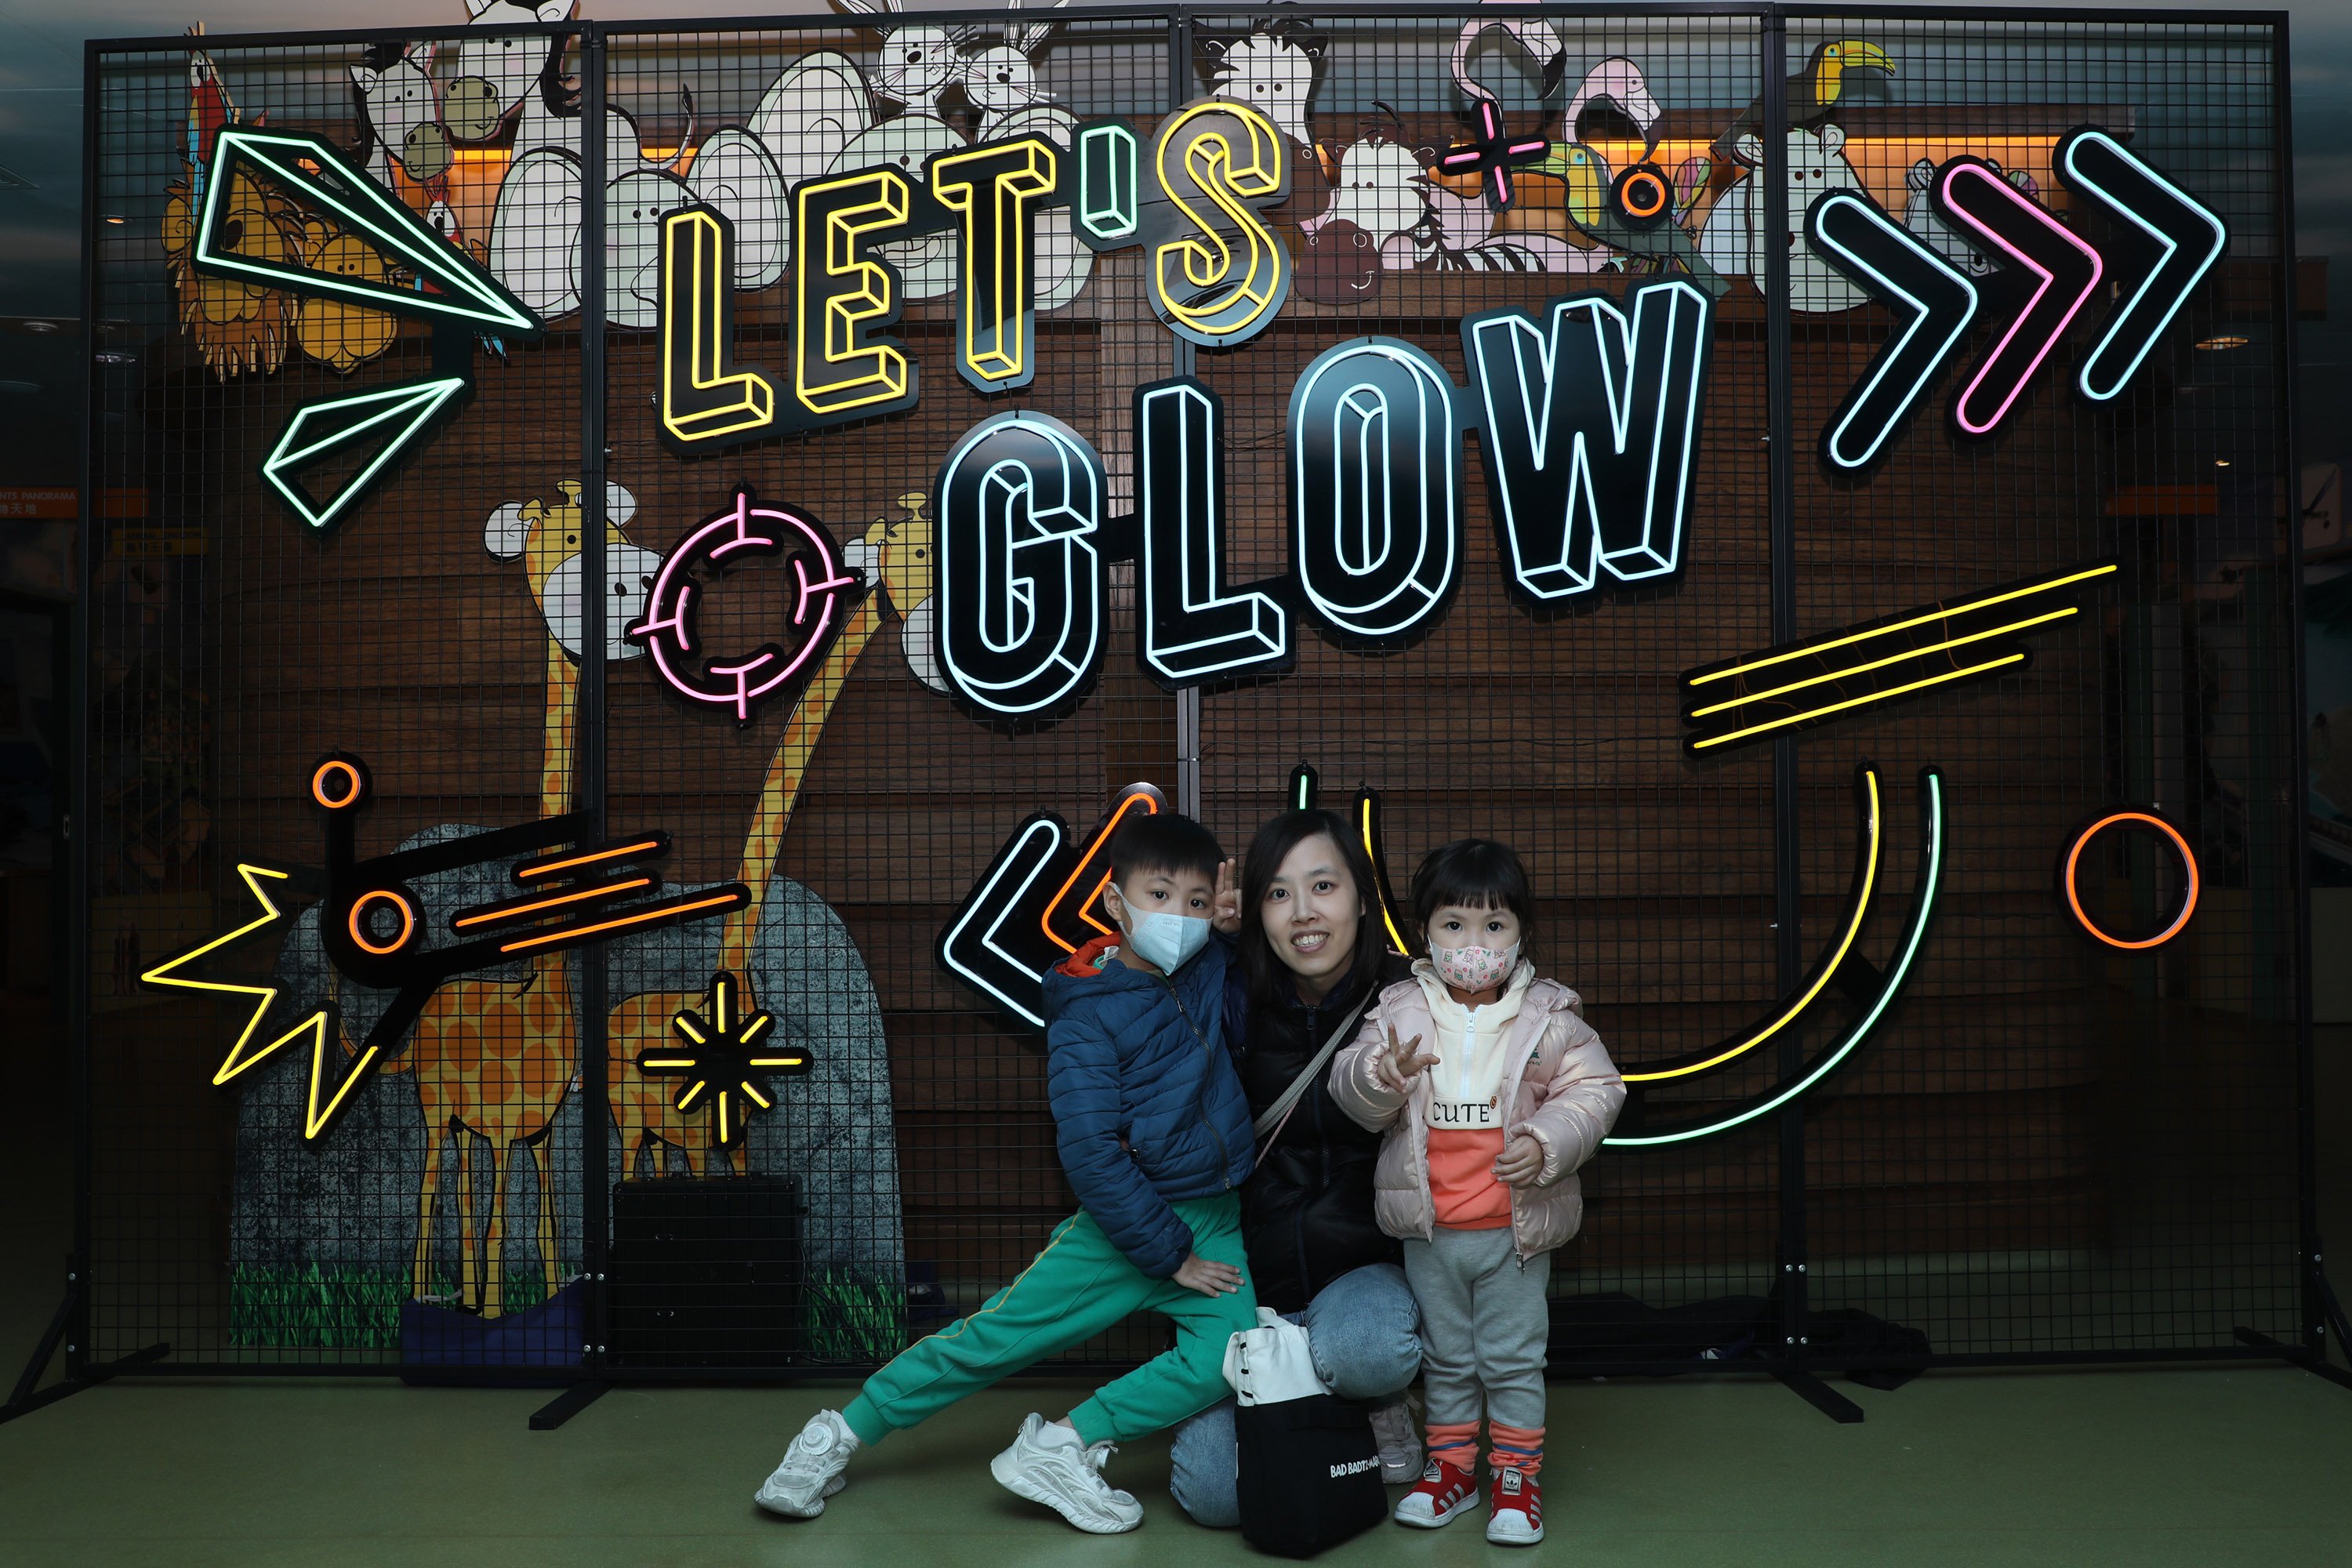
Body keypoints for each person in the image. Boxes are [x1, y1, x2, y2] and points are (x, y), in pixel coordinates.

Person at [755, 811, 1258, 1534]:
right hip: (1126, 1227)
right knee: (995, 1338)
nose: (1179, 917)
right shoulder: (1087, 1010)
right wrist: (1170, 1254)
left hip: (1216, 1218)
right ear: (1116, 903)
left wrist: (1232, 929)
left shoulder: (1206, 968)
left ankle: (1061, 1446)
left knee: (1228, 1358)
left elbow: (1241, 975)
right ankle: (838, 1433)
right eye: (1160, 896)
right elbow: (1089, 1152)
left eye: (1197, 902)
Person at [1328, 838, 1624, 1547]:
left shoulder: (1550, 1016)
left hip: (1513, 1232)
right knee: (1447, 1359)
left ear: (1522, 933)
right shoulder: (1396, 1010)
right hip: (1431, 1230)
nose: (1473, 944)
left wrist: (1546, 1141)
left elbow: (1596, 1089)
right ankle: (1453, 1470)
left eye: (1494, 925)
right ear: (1424, 932)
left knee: (1513, 1360)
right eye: (1454, 924)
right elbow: (1349, 1086)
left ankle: (1517, 1477)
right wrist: (1380, 1076)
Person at [1168, 807, 1425, 1527]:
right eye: (1278, 893)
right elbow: (1150, 1022)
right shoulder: (1230, 996)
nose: (1304, 912)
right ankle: (1333, 1407)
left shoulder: (1414, 999)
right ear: (1255, 912)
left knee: (1368, 1349)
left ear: (1363, 900)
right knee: (1215, 1495)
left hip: (1366, 1274)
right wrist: (1209, 946)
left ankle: (1368, 1394)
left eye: (1323, 886)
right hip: (1247, 1287)